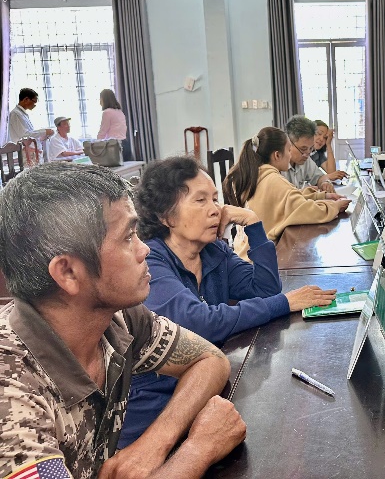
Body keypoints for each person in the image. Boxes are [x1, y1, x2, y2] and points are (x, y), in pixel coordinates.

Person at [0, 162, 246, 478]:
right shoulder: (10, 388)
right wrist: (199, 449)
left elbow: (210, 360)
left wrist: (155, 442)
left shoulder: (118, 320)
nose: (144, 250)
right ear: (68, 272)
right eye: (128, 236)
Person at [120, 156, 336, 447]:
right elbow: (200, 324)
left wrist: (254, 224)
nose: (215, 210)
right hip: (157, 414)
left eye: (215, 199)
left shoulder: (213, 252)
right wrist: (284, 303)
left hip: (204, 390)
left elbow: (265, 289)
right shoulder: (152, 262)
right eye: (200, 201)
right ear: (165, 216)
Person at [223, 127, 350, 250]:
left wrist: (322, 196)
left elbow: (290, 196)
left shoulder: (258, 173)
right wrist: (335, 207)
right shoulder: (273, 179)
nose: (290, 155)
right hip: (257, 258)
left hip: (245, 251)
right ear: (277, 155)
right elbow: (305, 210)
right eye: (289, 150)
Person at [284, 115, 347, 193]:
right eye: (303, 149)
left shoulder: (306, 160)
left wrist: (324, 183)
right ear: (288, 143)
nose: (307, 154)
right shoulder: (278, 167)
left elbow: (319, 178)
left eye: (310, 149)